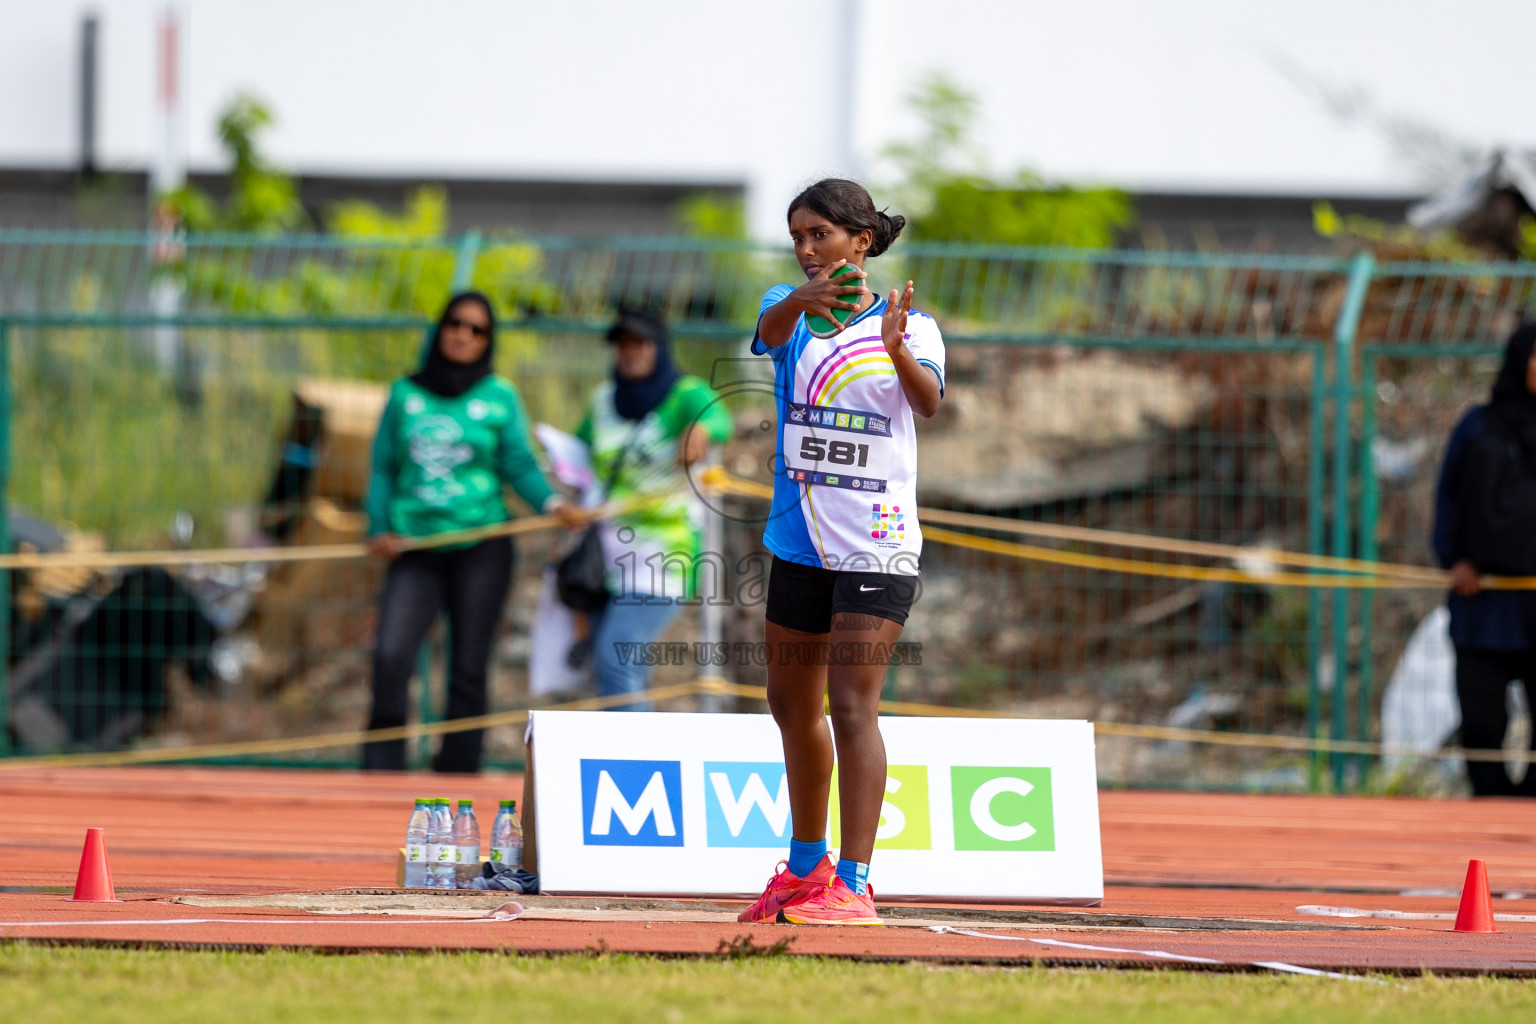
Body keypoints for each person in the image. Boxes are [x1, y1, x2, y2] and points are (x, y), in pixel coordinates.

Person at [737, 179, 945, 925]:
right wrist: (798, 298)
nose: (805, 249)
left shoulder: (910, 325)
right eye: (797, 236)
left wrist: (895, 351)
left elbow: (925, 402)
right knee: (790, 704)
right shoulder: (788, 311)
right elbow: (765, 329)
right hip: (798, 542)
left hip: (876, 548)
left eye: (820, 234)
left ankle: (854, 884)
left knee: (852, 706)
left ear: (862, 240)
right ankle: (804, 867)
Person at [362, 291, 580, 773]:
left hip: (482, 547)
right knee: (391, 654)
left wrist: (551, 502)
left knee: (467, 666)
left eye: (477, 329)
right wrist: (377, 527)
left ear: (488, 340)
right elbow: (382, 466)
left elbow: (518, 462)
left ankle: (456, 770)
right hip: (414, 547)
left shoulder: (499, 395)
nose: (464, 335)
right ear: (440, 329)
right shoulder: (405, 394)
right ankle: (379, 772)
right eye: (455, 324)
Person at [573, 307, 733, 708]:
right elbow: (577, 455)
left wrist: (698, 430)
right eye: (622, 344)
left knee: (617, 658)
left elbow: (720, 418)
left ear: (660, 347)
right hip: (604, 555)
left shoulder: (684, 393)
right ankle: (628, 756)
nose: (630, 352)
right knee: (615, 666)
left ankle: (634, 765)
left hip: (661, 555)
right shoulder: (602, 400)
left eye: (640, 342)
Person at [1433, 322, 1536, 797]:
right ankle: (1489, 807)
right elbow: (1448, 499)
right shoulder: (1478, 426)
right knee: (1481, 720)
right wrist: (1455, 561)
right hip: (1484, 601)